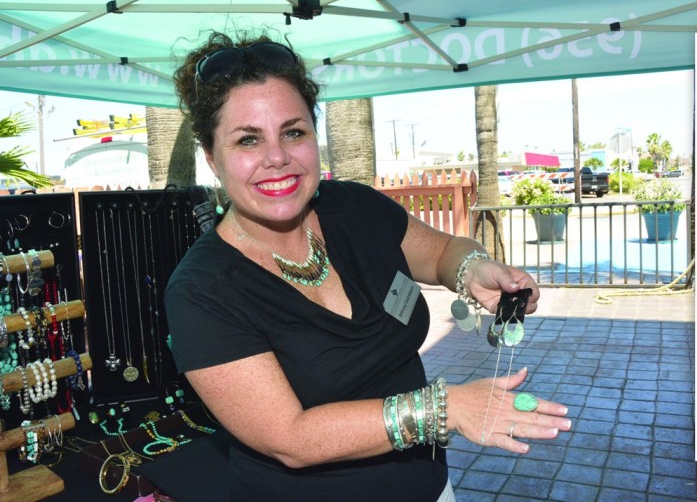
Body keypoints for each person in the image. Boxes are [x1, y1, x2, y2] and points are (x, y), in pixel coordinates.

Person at [164, 31, 572, 501]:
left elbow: (442, 253)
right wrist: (446, 408)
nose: (277, 158)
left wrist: (474, 268)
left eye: (293, 132)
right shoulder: (202, 291)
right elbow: (290, 437)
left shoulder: (355, 208)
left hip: (431, 489)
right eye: (248, 140)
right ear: (213, 159)